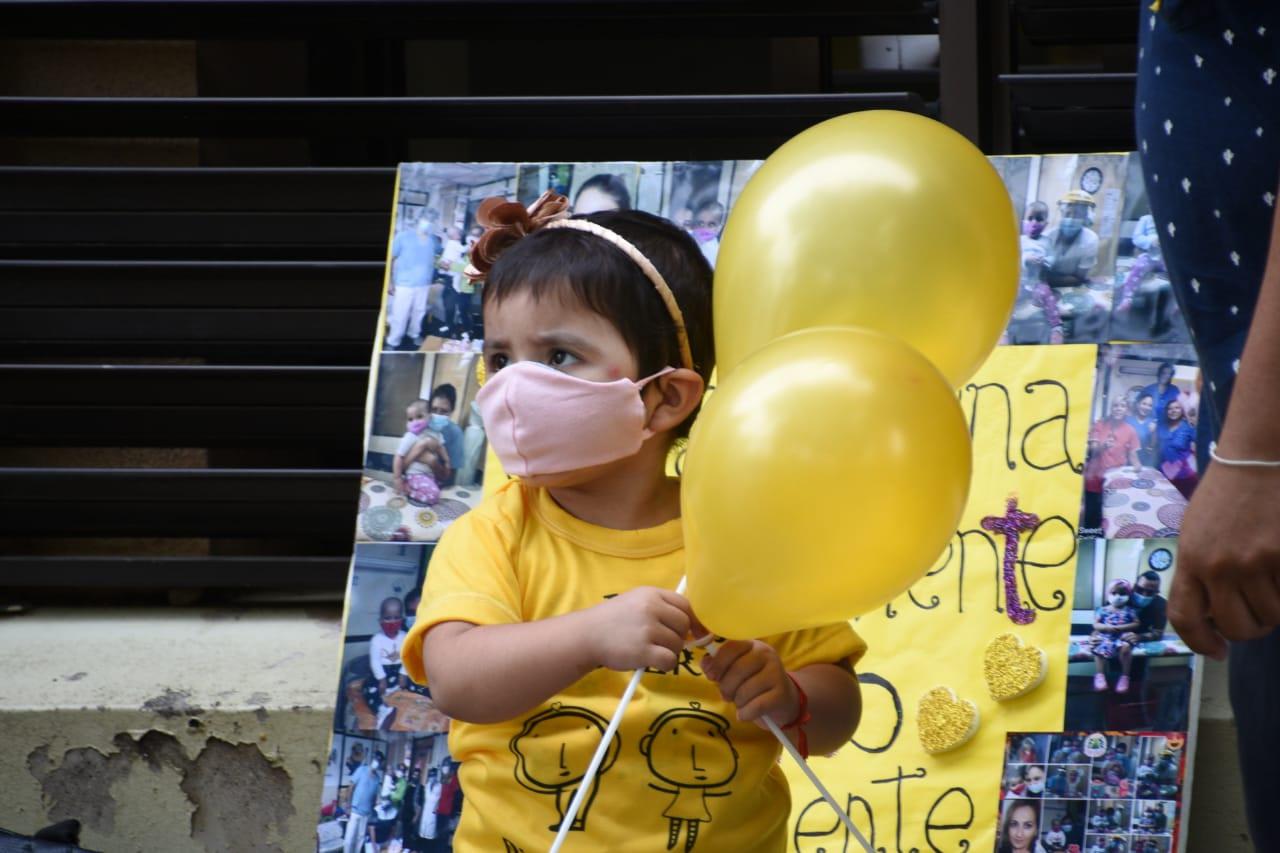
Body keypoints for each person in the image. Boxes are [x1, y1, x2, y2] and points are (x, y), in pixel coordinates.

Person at [400, 191, 864, 851]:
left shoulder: (744, 534)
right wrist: (589, 635)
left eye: (558, 356)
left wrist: (789, 693)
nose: (512, 386)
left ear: (664, 397)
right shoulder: (492, 533)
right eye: (501, 358)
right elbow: (456, 679)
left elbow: (840, 708)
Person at [1082, 397, 1142, 533]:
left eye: (1122, 406)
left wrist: (1139, 468)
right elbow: (1091, 449)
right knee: (1091, 519)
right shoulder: (1099, 425)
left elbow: (1134, 456)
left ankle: (1103, 541)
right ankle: (1089, 541)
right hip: (1094, 479)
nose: (1118, 408)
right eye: (1115, 405)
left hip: (1115, 483)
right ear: (1111, 408)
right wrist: (1103, 446)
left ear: (1126, 410)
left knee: (1111, 519)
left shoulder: (1131, 430)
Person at [388, 217, 441, 349]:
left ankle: (414, 334)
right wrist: (389, 282)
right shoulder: (403, 236)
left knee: (419, 311)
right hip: (404, 283)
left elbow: (437, 257)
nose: (428, 223)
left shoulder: (433, 240)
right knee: (400, 313)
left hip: (424, 283)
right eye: (426, 218)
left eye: (431, 220)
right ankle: (393, 340)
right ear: (419, 220)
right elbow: (391, 258)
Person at [1019, 200, 1065, 344]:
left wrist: (1044, 261)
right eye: (1030, 218)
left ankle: (1056, 327)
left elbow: (1052, 258)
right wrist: (1026, 259)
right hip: (1021, 282)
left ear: (1046, 223)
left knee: (1047, 294)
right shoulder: (1020, 240)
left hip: (1038, 283)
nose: (1034, 223)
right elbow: (1014, 258)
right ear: (1023, 221)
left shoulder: (1046, 242)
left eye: (1039, 219)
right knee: (1006, 297)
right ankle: (1003, 330)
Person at [1116, 570, 1169, 692]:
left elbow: (1158, 632)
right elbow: (1103, 618)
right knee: (1112, 678)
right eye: (1140, 590)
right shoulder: (1120, 595)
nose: (1144, 595)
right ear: (1134, 586)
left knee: (1137, 681)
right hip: (1116, 643)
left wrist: (1140, 637)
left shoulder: (1161, 604)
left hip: (1141, 646)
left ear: (1157, 592)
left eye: (1150, 592)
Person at [1038, 190, 1101, 288]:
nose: (1071, 219)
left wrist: (1048, 279)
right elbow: (1039, 272)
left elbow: (1080, 277)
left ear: (1085, 217)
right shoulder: (1047, 236)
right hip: (1045, 288)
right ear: (1062, 214)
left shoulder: (1091, 240)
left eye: (1077, 214)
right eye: (1067, 214)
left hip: (1073, 288)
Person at [1087, 580, 1141, 692]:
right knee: (1098, 647)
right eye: (1114, 593)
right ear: (1108, 595)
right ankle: (1100, 675)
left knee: (1126, 648)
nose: (1118, 596)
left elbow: (1136, 623)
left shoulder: (1130, 610)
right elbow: (1095, 624)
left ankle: (1125, 676)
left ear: (1128, 596)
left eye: (1122, 594)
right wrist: (1106, 628)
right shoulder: (1102, 610)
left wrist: (1121, 628)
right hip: (1106, 636)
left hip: (1123, 636)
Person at [392, 400, 448, 505]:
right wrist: (397, 478)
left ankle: (414, 486)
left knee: (440, 487)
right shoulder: (410, 436)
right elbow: (399, 456)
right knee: (435, 496)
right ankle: (408, 490)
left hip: (430, 474)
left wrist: (446, 460)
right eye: (410, 419)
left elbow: (441, 447)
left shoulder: (435, 433)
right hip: (415, 475)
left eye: (419, 416)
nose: (414, 422)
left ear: (429, 417)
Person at [369, 597, 408, 718]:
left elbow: (408, 658)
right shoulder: (376, 640)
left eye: (396, 618)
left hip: (400, 670)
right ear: (380, 620)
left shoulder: (406, 637)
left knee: (411, 689)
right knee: (372, 690)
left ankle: (401, 708)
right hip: (382, 672)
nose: (392, 622)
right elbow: (375, 661)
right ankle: (382, 709)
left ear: (402, 619)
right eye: (388, 618)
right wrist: (381, 679)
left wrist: (403, 674)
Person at [1155, 399, 1197, 497]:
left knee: (1183, 504)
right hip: (1163, 474)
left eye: (1177, 408)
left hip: (1184, 477)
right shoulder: (1161, 427)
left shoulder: (1188, 428)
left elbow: (1201, 444)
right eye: (1170, 409)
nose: (1173, 410)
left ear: (1182, 410)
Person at [343, 755, 382, 853]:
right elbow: (351, 787)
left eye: (379, 761)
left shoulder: (377, 778)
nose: (377, 762)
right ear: (372, 760)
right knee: (349, 839)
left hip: (366, 814)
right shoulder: (362, 770)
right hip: (355, 810)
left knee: (360, 839)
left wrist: (376, 804)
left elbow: (374, 796)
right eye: (376, 759)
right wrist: (348, 805)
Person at [689, 197, 725, 266]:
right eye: (701, 223)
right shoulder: (689, 240)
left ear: (719, 227)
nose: (705, 228)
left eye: (711, 225)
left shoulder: (716, 252)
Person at [1125, 393, 1158, 468]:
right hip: (1129, 463)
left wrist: (1154, 433)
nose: (1146, 407)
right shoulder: (1128, 420)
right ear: (1137, 404)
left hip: (1146, 463)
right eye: (1144, 404)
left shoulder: (1153, 423)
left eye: (1150, 405)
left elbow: (1153, 447)